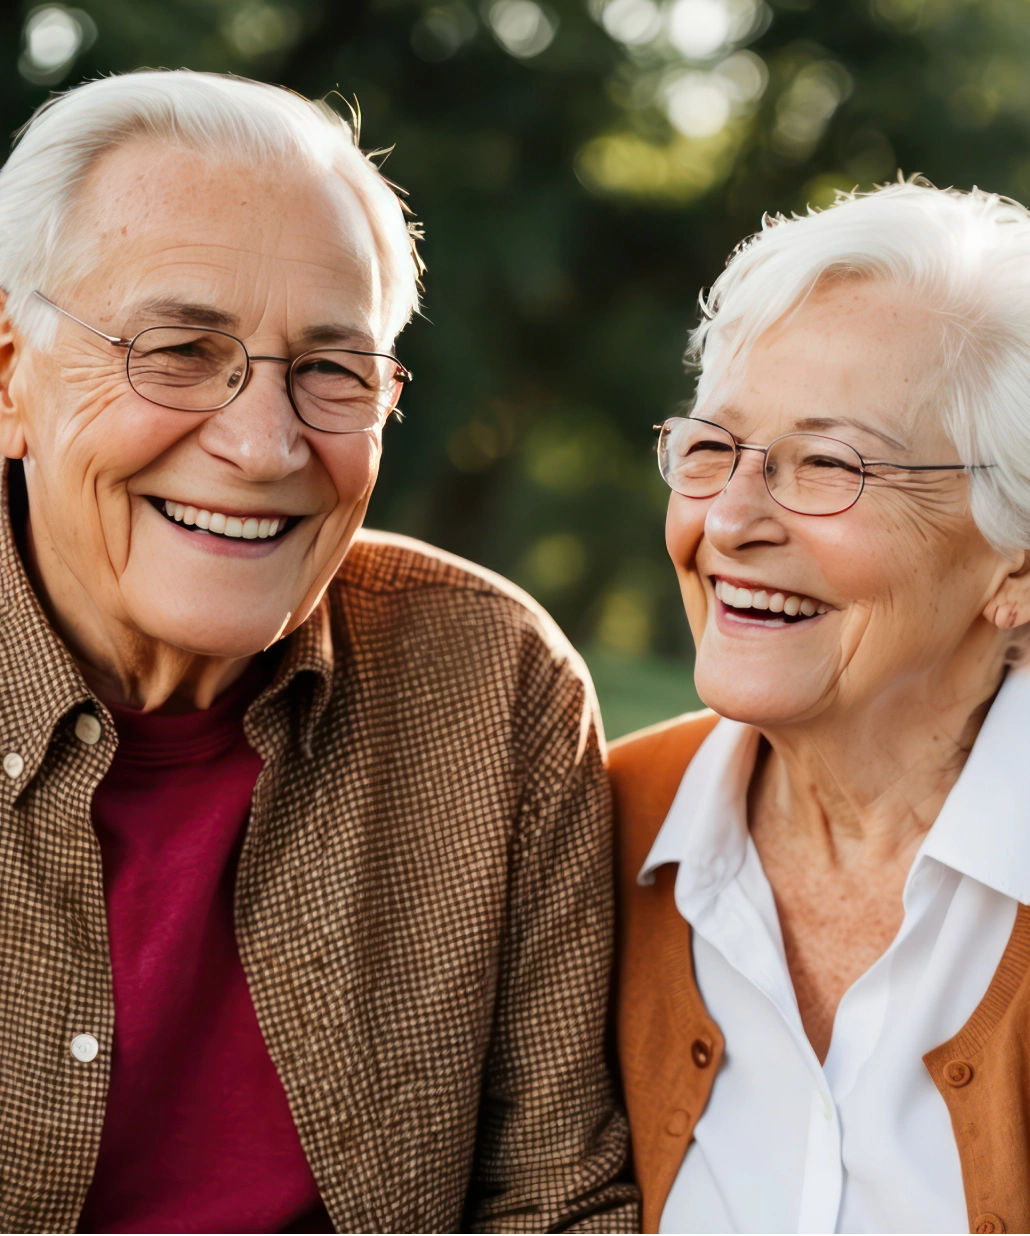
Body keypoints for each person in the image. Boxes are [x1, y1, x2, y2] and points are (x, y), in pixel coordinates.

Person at [0, 70, 636, 1236]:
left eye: (332, 371)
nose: (261, 442)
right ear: (9, 376)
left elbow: (555, 1200)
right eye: (180, 349)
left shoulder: (491, 688)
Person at [608, 180, 1030, 1236]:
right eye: (711, 448)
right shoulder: (598, 823)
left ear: (1014, 566)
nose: (732, 519)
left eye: (830, 465)